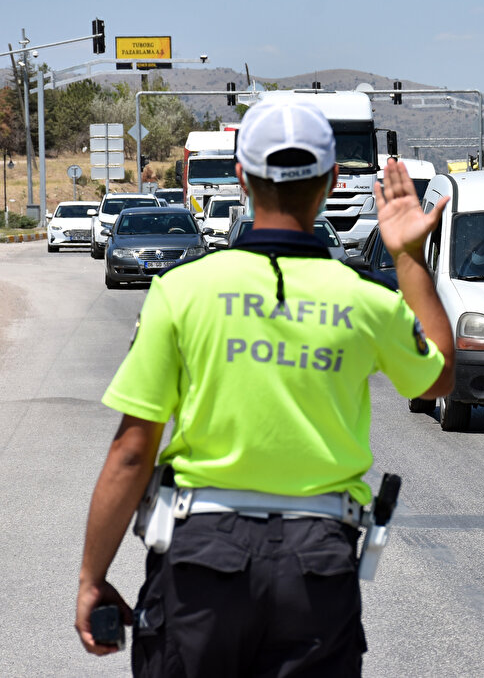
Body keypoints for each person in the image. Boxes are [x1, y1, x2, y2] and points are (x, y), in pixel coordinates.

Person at [75, 99, 454, 676]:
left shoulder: (182, 292)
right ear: (328, 182)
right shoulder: (364, 300)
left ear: (241, 179)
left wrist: (92, 578)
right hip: (316, 569)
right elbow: (440, 374)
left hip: (202, 564)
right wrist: (405, 256)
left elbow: (132, 452)